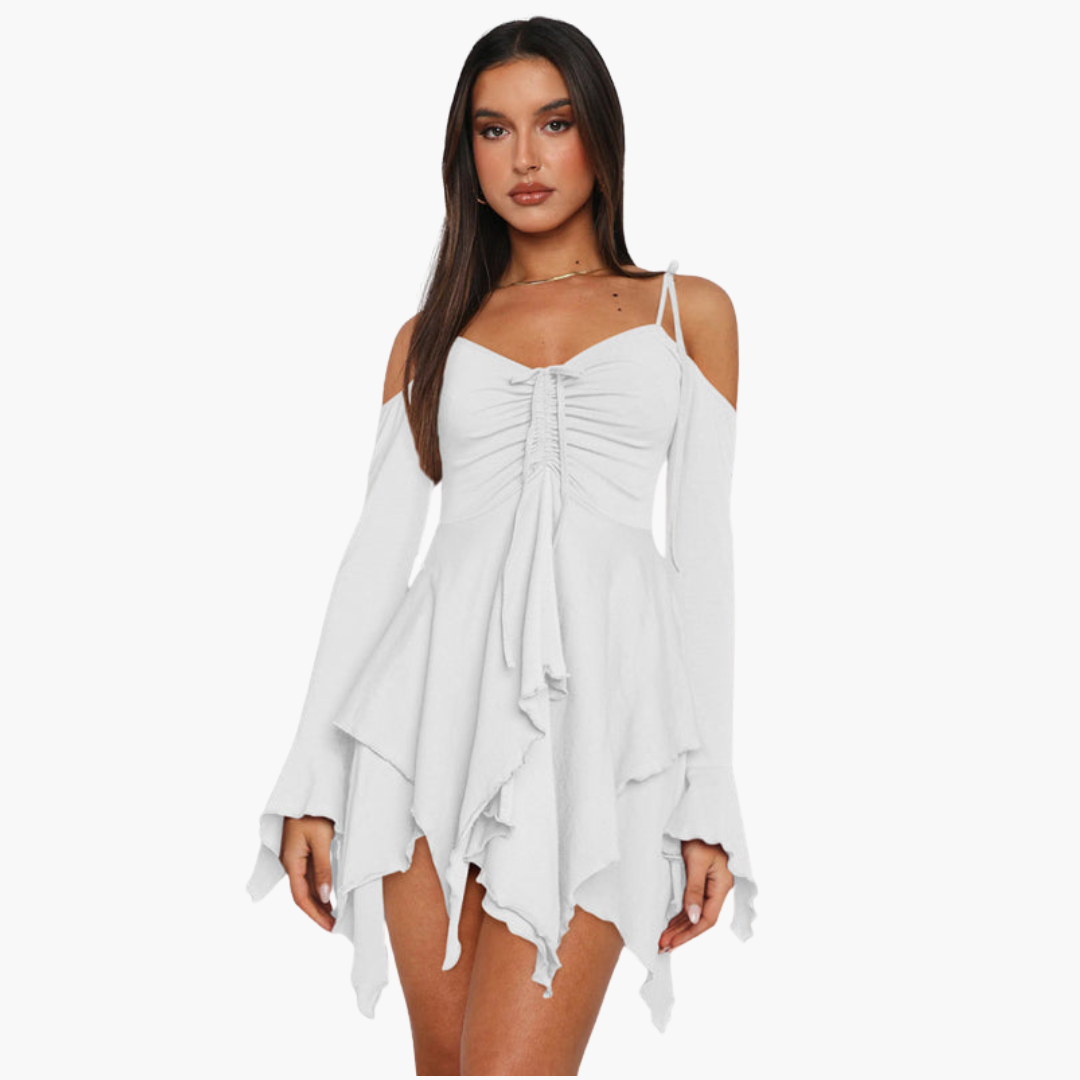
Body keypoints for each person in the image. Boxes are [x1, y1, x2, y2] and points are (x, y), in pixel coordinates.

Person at [246, 16, 757, 1075]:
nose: (525, 156)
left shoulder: (687, 312)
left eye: (554, 123)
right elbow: (375, 558)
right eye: (493, 129)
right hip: (426, 725)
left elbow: (704, 563)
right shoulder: (431, 334)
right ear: (466, 155)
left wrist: (711, 794)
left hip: (602, 734)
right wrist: (310, 777)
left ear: (600, 136)